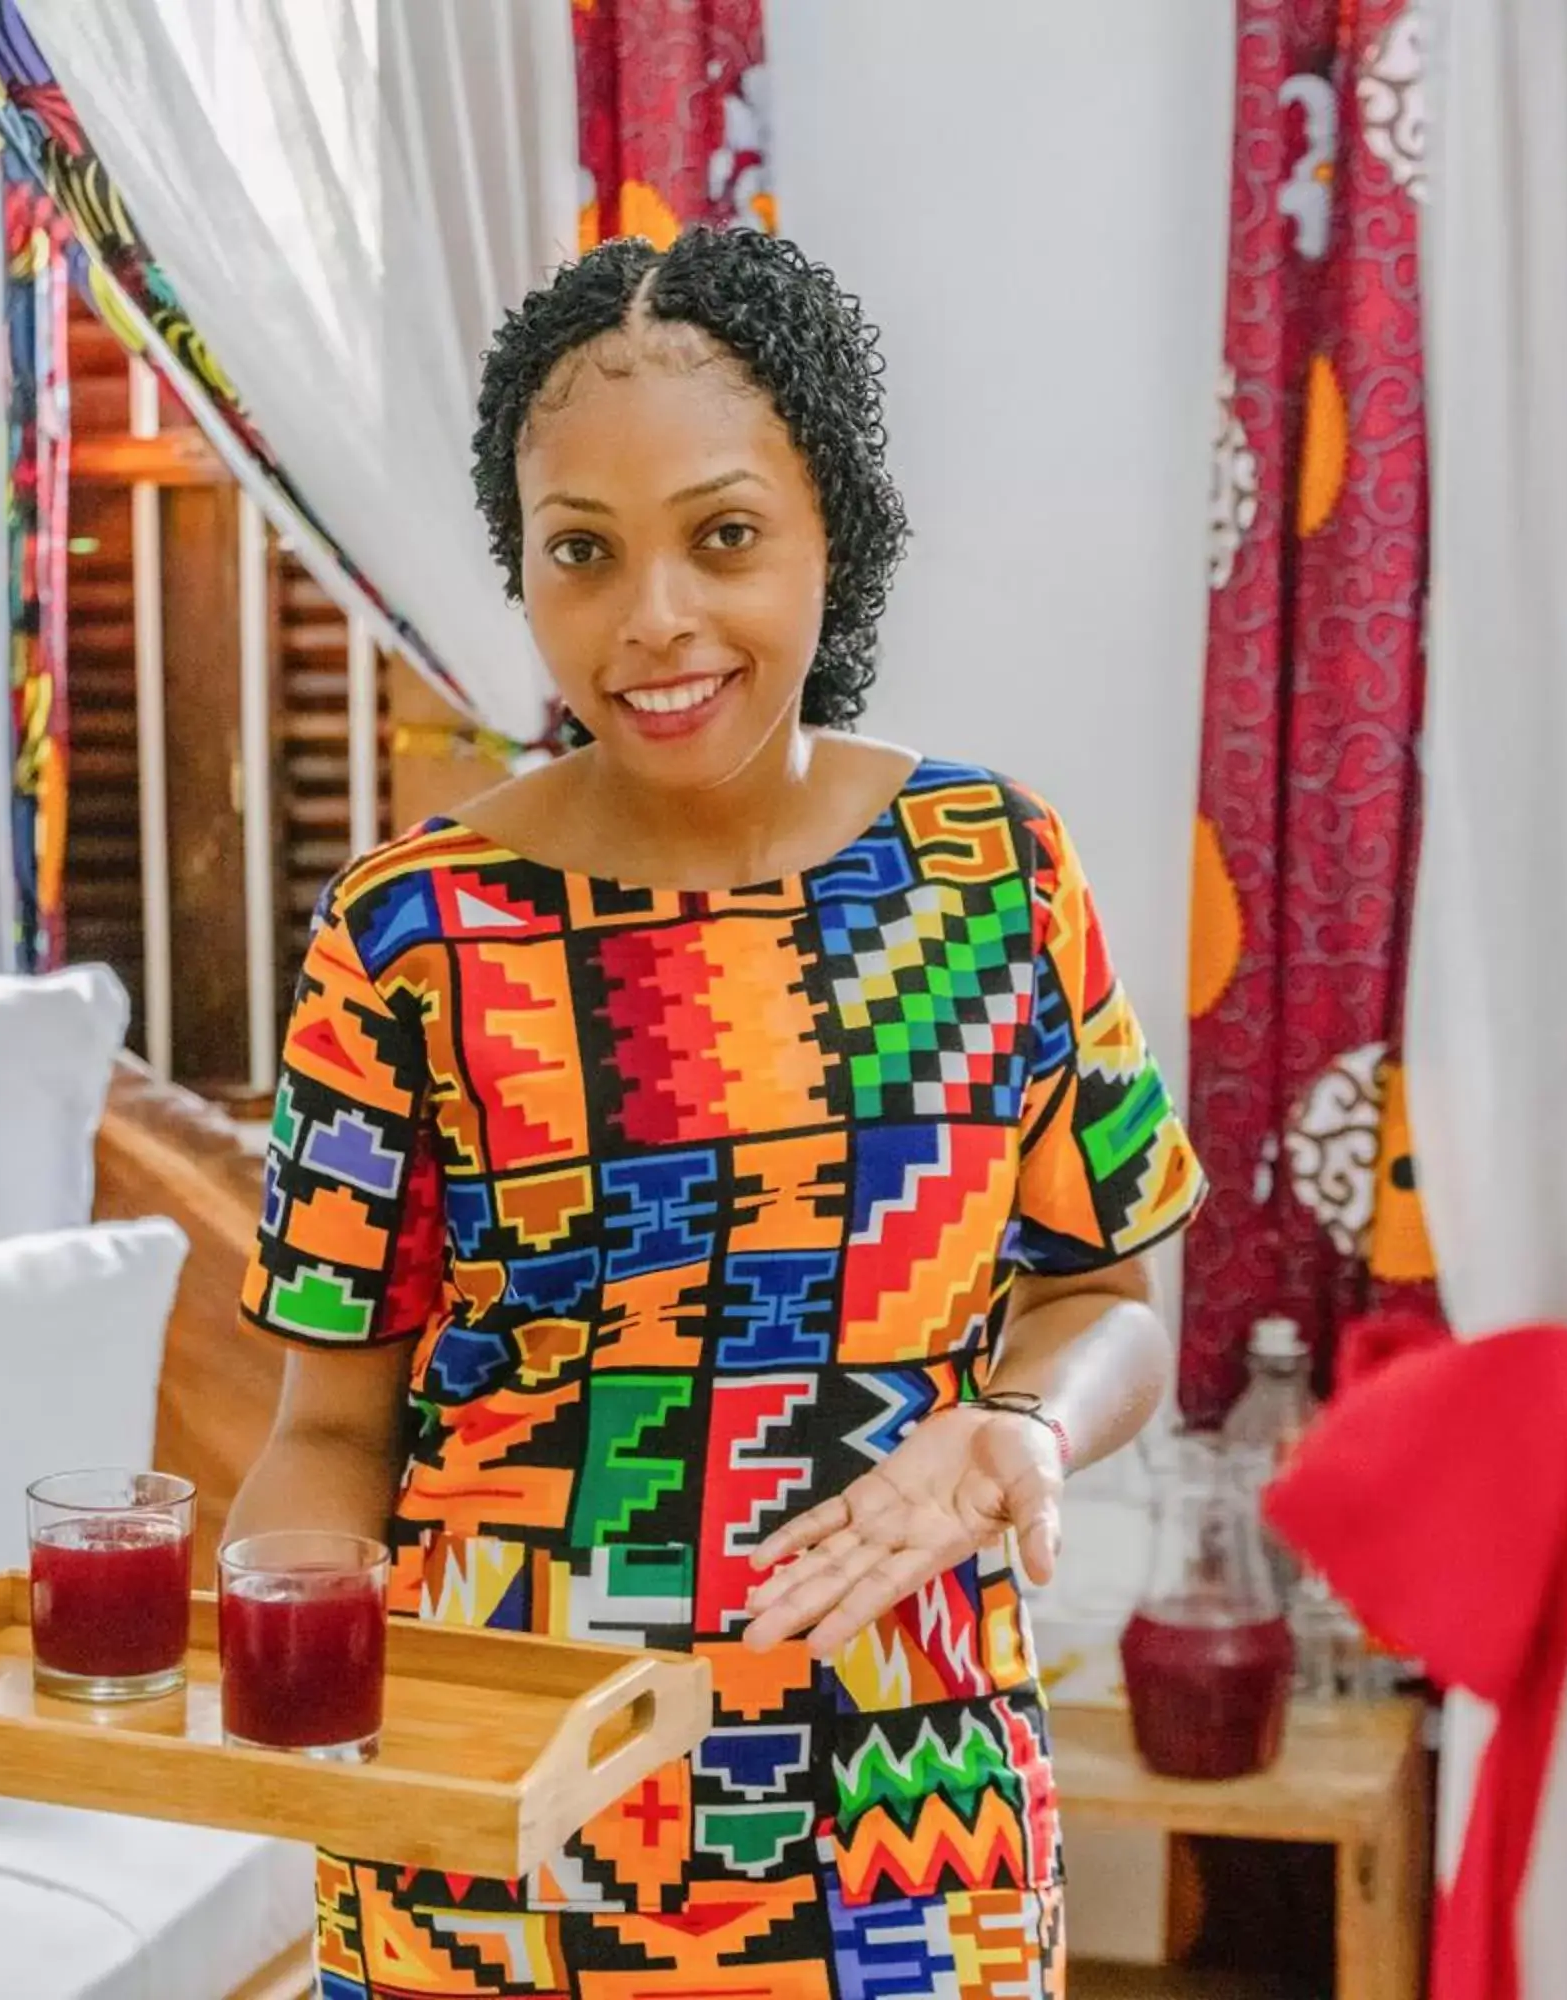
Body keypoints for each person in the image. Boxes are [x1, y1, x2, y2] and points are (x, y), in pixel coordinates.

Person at [228, 226, 1206, 2000]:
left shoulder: (994, 875)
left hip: (910, 1819)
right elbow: (328, 1426)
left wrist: (1030, 1431)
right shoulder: (408, 934)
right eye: (581, 554)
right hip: (492, 1825)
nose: (655, 617)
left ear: (837, 527)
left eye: (725, 535)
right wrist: (273, 1637)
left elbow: (1109, 1308)